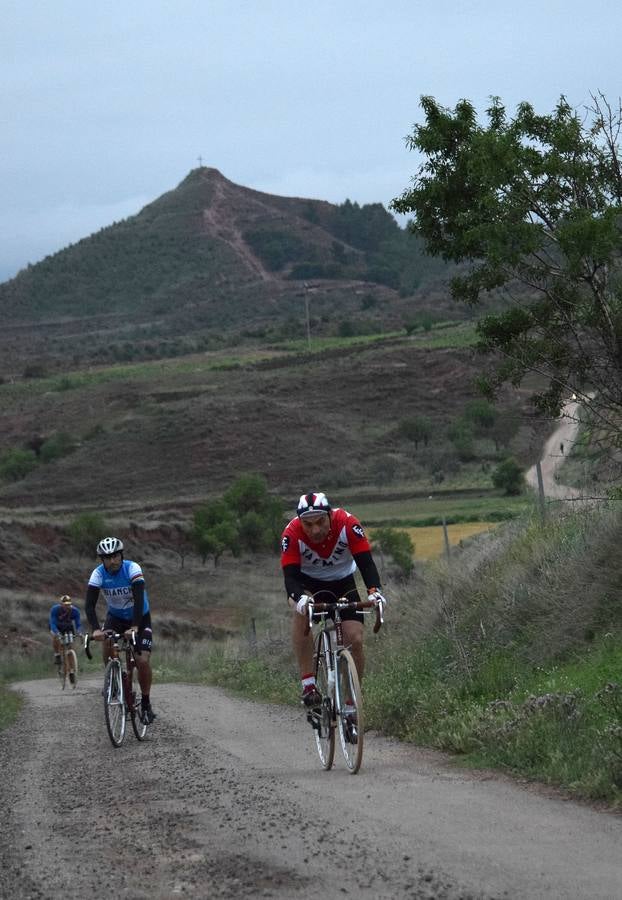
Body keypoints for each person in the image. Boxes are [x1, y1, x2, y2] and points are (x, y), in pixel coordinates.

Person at [280, 491, 387, 707]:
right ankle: (309, 684)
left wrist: (375, 591)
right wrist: (299, 598)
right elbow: (290, 577)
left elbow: (366, 563)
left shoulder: (347, 524)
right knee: (301, 609)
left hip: (343, 584)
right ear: (301, 522)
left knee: (354, 639)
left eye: (320, 522)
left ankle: (351, 702)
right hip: (308, 585)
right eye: (308, 525)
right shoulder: (291, 533)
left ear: (329, 515)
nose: (315, 530)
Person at [85, 536, 156, 724]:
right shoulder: (98, 574)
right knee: (107, 641)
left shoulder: (132, 568)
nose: (112, 561)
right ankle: (113, 679)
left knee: (141, 660)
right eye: (107, 558)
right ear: (102, 560)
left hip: (139, 617)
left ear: (121, 555)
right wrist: (95, 629)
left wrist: (134, 626)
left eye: (115, 556)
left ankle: (146, 703)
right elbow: (89, 605)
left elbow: (139, 599)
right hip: (115, 617)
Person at [49, 594, 82, 683]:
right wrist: (57, 633)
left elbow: (78, 624)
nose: (67, 606)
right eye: (65, 605)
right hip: (57, 627)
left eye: (69, 604)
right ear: (61, 604)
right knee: (55, 636)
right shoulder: (55, 610)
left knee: (70, 647)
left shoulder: (75, 611)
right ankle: (57, 654)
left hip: (68, 627)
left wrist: (79, 632)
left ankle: (71, 670)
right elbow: (52, 623)